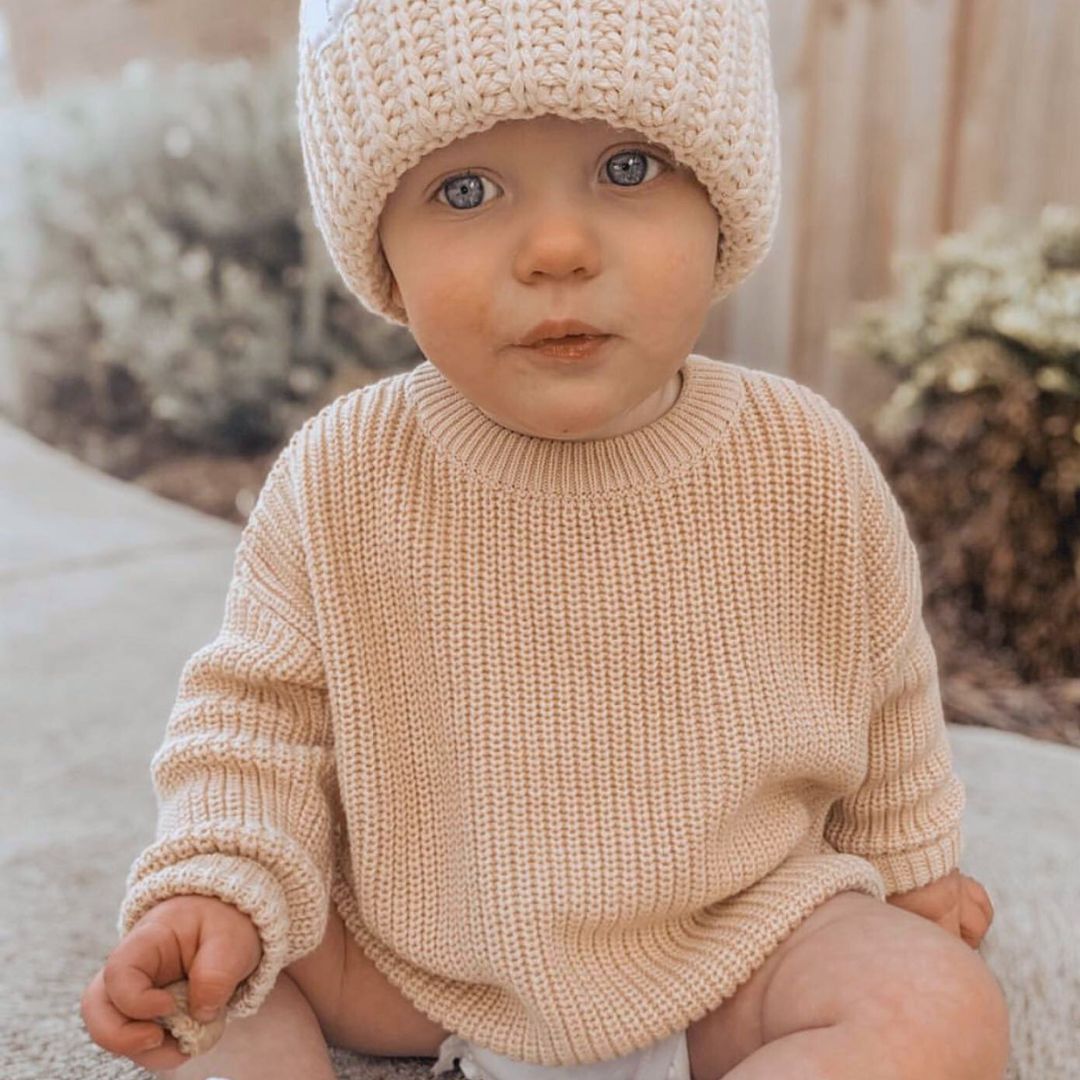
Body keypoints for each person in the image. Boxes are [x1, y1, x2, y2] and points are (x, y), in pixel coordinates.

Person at [80, 1, 1011, 1078]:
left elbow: (885, 682)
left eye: (626, 168)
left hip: (736, 941)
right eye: (464, 190)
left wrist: (909, 870)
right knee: (209, 1008)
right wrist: (215, 884)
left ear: (722, 199)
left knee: (938, 1008)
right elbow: (256, 720)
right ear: (379, 243)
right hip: (403, 956)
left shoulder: (801, 459)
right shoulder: (343, 474)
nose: (559, 249)